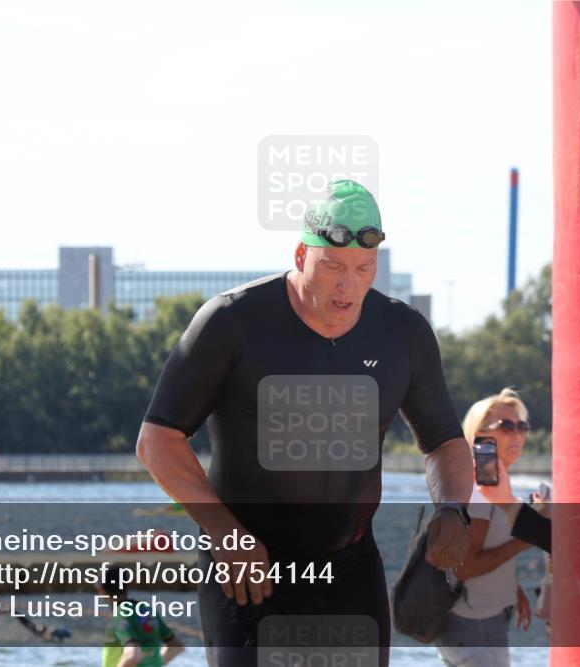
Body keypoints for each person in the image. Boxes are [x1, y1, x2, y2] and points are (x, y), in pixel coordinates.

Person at [136, 180, 474, 666]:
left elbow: (444, 442)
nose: (348, 285)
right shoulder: (232, 322)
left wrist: (452, 509)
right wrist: (225, 533)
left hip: (349, 570)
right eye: (333, 266)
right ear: (300, 255)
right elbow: (158, 439)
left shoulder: (403, 332)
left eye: (364, 269)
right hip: (247, 570)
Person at [436, 388, 536, 667]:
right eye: (506, 426)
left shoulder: (486, 482)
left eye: (522, 426)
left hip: (465, 621)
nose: (517, 434)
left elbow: (478, 547)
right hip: (473, 623)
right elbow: (465, 566)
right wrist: (526, 539)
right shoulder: (481, 490)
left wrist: (510, 586)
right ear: (479, 436)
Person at [97, 564, 184, 667]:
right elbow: (176, 646)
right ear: (127, 585)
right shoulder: (147, 611)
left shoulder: (120, 616)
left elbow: (133, 655)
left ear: (101, 590)